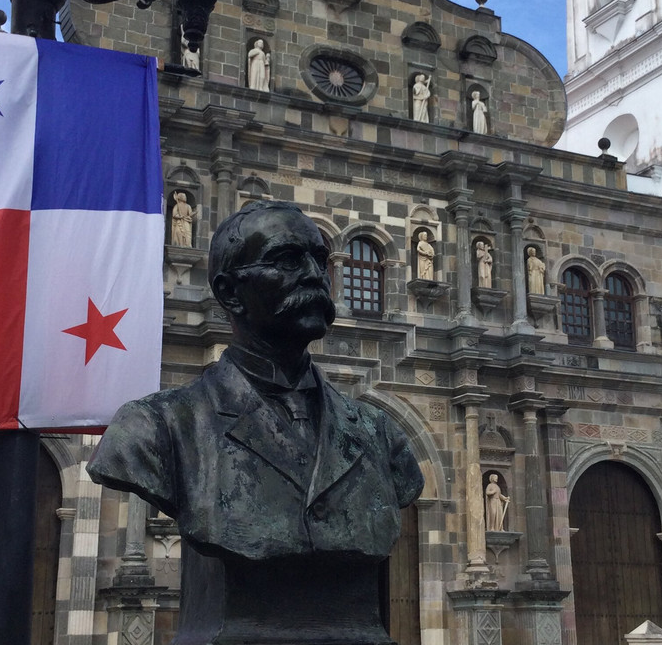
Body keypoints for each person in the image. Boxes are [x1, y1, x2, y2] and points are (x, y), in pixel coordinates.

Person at [88, 201, 424, 643]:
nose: (315, 274)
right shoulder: (155, 427)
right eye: (287, 260)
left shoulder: (380, 434)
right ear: (230, 293)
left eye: (319, 259)